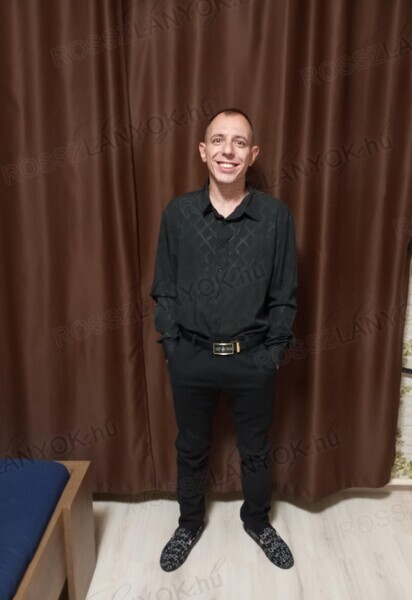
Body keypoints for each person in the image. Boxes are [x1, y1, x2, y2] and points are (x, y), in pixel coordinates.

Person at [150, 108, 298, 571]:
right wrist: (172, 346)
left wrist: (273, 352)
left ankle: (257, 521)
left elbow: (285, 294)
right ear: (203, 150)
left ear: (252, 155)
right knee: (191, 447)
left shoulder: (275, 217)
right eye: (218, 140)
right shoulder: (178, 213)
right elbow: (164, 287)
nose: (227, 151)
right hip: (190, 356)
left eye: (239, 142)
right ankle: (189, 523)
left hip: (253, 359)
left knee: (255, 447)